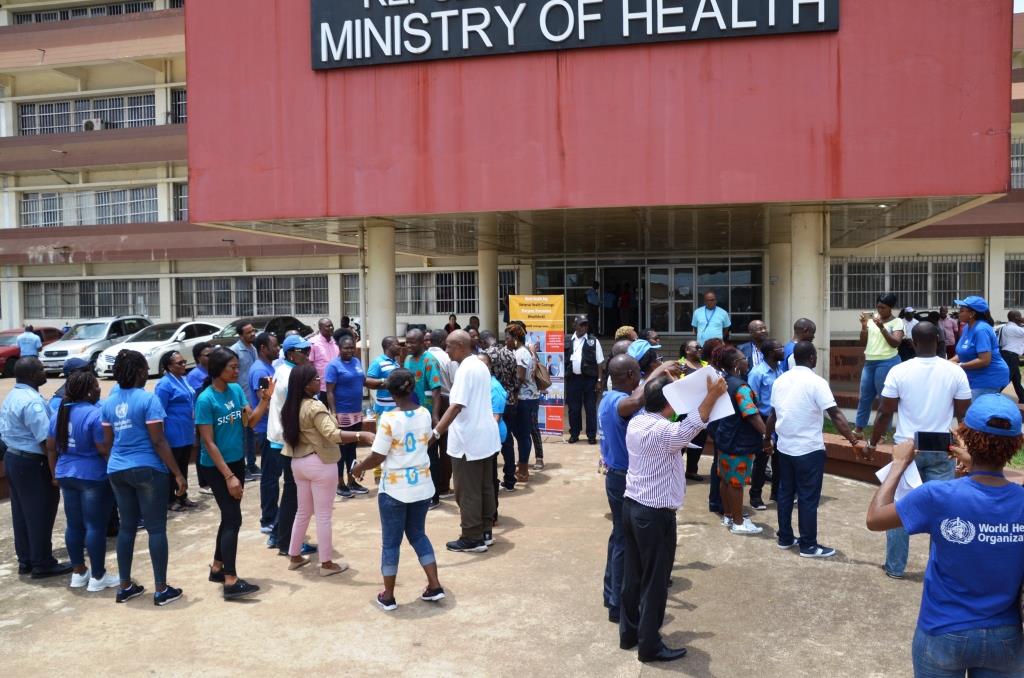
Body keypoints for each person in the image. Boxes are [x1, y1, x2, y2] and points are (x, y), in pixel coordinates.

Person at [866, 395, 1024, 677]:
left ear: (965, 437)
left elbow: (875, 518)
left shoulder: (938, 495)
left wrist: (899, 464)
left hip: (943, 631)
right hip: (1006, 638)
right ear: (1016, 445)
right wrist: (975, 462)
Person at [620, 372, 727, 664]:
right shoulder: (663, 432)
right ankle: (650, 646)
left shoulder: (639, 421)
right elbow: (691, 425)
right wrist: (713, 395)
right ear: (668, 403)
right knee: (655, 581)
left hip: (632, 507)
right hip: (654, 515)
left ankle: (629, 634)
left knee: (633, 575)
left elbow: (681, 428)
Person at [868, 322, 972, 580]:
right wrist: (966, 449)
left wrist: (873, 443)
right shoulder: (955, 372)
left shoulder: (899, 371)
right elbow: (964, 415)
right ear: (939, 341)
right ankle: (939, 570)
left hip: (908, 449)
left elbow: (884, 412)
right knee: (942, 510)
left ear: (912, 343)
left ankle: (895, 567)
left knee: (900, 509)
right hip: (941, 447)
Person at [351, 369, 444, 609]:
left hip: (394, 490)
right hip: (422, 487)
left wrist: (358, 468)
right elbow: (428, 439)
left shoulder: (389, 418)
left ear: (389, 392)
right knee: (418, 535)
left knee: (391, 543)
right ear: (412, 388)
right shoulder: (424, 413)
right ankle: (434, 585)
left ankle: (389, 595)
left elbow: (378, 455)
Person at [101, 350, 186, 606]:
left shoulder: (108, 403)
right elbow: (158, 440)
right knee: (156, 528)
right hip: (148, 469)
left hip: (117, 469)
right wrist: (178, 474)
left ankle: (125, 586)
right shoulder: (148, 400)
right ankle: (161, 590)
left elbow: (107, 445)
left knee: (127, 527)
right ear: (140, 371)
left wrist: (118, 467)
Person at [765, 342, 865, 558]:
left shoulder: (780, 380)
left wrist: (766, 439)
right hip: (808, 450)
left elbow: (773, 415)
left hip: (784, 447)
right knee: (808, 498)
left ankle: (785, 538)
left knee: (785, 494)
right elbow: (836, 414)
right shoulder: (816, 382)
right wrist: (854, 441)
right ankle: (808, 545)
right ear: (811, 358)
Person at [600, 355, 680, 624]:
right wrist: (659, 370)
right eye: (639, 373)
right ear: (632, 375)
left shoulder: (609, 396)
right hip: (622, 478)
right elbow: (636, 401)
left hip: (618, 475)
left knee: (620, 539)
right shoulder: (615, 401)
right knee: (625, 543)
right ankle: (616, 604)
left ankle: (612, 594)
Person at [195, 347, 270, 600]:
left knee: (229, 517)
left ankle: (218, 567)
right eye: (232, 368)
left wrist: (265, 400)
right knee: (233, 518)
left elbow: (250, 422)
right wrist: (229, 476)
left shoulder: (236, 391)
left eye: (238, 367)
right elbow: (209, 443)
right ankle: (230, 580)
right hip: (217, 468)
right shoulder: (206, 399)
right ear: (217, 369)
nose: (237, 371)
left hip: (236, 461)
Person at [282, 364, 369, 577]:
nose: (318, 381)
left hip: (298, 463)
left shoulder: (291, 406)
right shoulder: (314, 406)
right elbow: (332, 434)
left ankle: (294, 555)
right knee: (323, 515)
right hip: (320, 463)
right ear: (304, 384)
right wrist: (361, 435)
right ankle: (327, 564)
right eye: (314, 379)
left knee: (303, 511)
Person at [45, 370, 118, 591]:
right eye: (96, 386)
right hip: (92, 476)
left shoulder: (60, 413)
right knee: (95, 526)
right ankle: (98, 576)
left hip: (66, 473)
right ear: (88, 391)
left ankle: (78, 572)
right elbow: (103, 449)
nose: (99, 389)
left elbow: (50, 447)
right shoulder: (94, 414)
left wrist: (54, 475)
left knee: (74, 525)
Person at [1, 357, 71, 579]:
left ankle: (27, 561)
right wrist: (55, 471)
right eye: (41, 369)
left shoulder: (13, 395)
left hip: (14, 458)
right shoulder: (32, 402)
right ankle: (43, 563)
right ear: (32, 375)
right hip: (32, 462)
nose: (45, 372)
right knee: (40, 513)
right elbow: (45, 442)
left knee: (22, 514)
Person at [433, 330, 501, 553]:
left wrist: (436, 433)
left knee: (467, 490)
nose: (447, 350)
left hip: (469, 440)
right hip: (485, 437)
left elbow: (455, 406)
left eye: (450, 346)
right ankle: (485, 531)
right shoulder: (480, 365)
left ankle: (472, 537)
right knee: (485, 487)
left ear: (461, 346)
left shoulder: (465, 369)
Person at [266, 334, 318, 559]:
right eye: (302, 351)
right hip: (287, 440)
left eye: (308, 351)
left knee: (291, 491)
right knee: (293, 493)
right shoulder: (291, 377)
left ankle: (278, 534)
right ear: (290, 354)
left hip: (282, 438)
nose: (307, 355)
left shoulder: (285, 371)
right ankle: (286, 542)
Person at [711, 346, 769, 534]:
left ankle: (728, 516)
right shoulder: (741, 387)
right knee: (736, 482)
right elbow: (751, 413)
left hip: (724, 436)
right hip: (738, 440)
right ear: (737, 364)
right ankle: (738, 523)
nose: (748, 361)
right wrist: (767, 437)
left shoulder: (723, 381)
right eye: (745, 358)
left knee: (725, 479)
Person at [325, 331, 379, 497]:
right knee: (342, 451)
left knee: (352, 449)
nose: (349, 350)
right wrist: (333, 413)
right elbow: (330, 392)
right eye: (345, 348)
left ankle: (352, 480)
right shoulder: (333, 366)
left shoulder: (356, 361)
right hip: (342, 414)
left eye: (351, 348)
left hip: (356, 412)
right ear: (339, 349)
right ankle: (340, 484)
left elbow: (362, 381)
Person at [404, 328, 444, 508]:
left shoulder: (430, 361)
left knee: (430, 455)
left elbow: (436, 390)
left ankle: (434, 495)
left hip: (426, 414)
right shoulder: (407, 359)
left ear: (422, 343)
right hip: (410, 413)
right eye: (407, 342)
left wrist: (435, 416)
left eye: (412, 342)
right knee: (414, 454)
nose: (409, 345)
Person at [854, 294, 905, 438]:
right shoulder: (872, 320)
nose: (880, 310)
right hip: (870, 362)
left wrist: (882, 327)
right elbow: (863, 342)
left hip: (887, 362)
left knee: (884, 399)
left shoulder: (897, 322)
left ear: (890, 308)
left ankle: (882, 434)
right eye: (878, 307)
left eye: (883, 307)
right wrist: (864, 326)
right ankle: (858, 429)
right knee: (865, 397)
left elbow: (895, 342)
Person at [154, 351, 198, 511]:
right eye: (179, 363)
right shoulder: (164, 384)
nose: (184, 365)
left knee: (183, 464)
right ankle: (170, 499)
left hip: (186, 430)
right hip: (173, 432)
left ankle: (182, 495)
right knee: (172, 467)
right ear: (168, 366)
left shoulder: (183, 379)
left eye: (184, 361)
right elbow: (159, 410)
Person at [249, 332, 281, 540]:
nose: (278, 349)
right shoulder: (260, 371)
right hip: (266, 430)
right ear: (263, 348)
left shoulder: (270, 367)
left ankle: (272, 515)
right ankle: (268, 520)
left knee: (274, 476)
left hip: (271, 429)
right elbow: (266, 402)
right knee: (270, 477)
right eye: (275, 345)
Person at [747, 338, 785, 509]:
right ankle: (755, 497)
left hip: (779, 420)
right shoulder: (757, 373)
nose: (783, 350)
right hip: (763, 420)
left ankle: (776, 493)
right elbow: (751, 401)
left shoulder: (780, 370)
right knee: (761, 461)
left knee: (779, 459)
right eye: (780, 348)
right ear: (771, 352)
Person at [951, 296, 1010, 400]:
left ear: (972, 314)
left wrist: (959, 366)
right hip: (974, 378)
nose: (958, 312)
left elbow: (984, 360)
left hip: (988, 378)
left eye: (962, 310)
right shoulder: (966, 328)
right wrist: (946, 363)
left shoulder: (981, 330)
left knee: (975, 412)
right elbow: (962, 353)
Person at [507, 322, 540, 482]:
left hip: (524, 399)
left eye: (507, 338)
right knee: (522, 434)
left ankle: (523, 470)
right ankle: (522, 466)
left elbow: (519, 377)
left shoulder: (520, 353)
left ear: (515, 339)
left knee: (523, 435)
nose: (505, 341)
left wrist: (512, 394)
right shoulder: (525, 351)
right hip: (530, 398)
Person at [426, 328, 457, 498]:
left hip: (425, 402)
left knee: (430, 446)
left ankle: (432, 487)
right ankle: (444, 486)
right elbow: (454, 380)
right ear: (445, 341)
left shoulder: (423, 358)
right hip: (445, 400)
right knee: (446, 446)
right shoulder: (448, 358)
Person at [565, 314, 605, 445]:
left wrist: (599, 381)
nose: (584, 327)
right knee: (573, 408)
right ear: (574, 326)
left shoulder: (593, 341)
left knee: (590, 408)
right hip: (573, 379)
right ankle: (574, 433)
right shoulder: (567, 340)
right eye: (581, 324)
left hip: (589, 380)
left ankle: (591, 435)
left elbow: (600, 362)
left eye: (585, 324)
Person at [478, 350, 508, 520]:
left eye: (483, 365)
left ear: (490, 367)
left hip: (492, 436)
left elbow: (495, 418)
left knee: (489, 477)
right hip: (484, 436)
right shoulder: (481, 384)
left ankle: (492, 513)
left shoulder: (494, 387)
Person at [229, 322, 261, 481]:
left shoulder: (253, 349)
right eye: (248, 332)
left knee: (250, 433)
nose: (252, 334)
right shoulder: (235, 351)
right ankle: (242, 467)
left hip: (253, 401)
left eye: (253, 331)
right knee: (241, 435)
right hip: (242, 400)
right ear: (240, 335)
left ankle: (252, 464)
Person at [489, 336, 520, 491]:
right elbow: (516, 380)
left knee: (493, 444)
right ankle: (510, 479)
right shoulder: (509, 354)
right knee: (508, 441)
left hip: (493, 402)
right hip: (510, 401)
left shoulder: (487, 356)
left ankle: (493, 481)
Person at [678, 339, 707, 482]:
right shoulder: (680, 365)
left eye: (701, 347)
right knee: (681, 439)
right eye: (697, 348)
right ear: (687, 350)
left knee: (699, 439)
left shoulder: (705, 365)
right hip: (684, 409)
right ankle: (674, 468)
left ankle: (691, 470)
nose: (700, 350)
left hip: (701, 408)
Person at [367, 336, 402, 415]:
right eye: (397, 344)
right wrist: (385, 381)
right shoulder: (377, 362)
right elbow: (368, 381)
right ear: (388, 346)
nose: (400, 347)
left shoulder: (396, 363)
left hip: (397, 407)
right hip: (384, 409)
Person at [309, 317, 338, 402]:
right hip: (321, 388)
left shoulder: (335, 343)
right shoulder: (313, 343)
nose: (331, 328)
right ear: (320, 328)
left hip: (335, 387)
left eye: (332, 325)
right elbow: (309, 364)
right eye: (328, 326)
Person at [999, 310, 1024, 402]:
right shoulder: (1013, 328)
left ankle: (1022, 399)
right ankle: (992, 395)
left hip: (1010, 355)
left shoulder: (1007, 327)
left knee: (1016, 379)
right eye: (1020, 316)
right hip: (1010, 356)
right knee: (1007, 378)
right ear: (1016, 318)